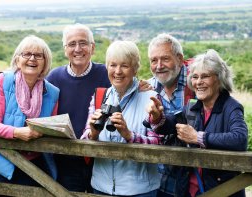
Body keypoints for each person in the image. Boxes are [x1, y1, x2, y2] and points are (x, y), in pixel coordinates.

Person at [148, 49, 248, 197]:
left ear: (219, 79)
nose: (198, 82)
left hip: (221, 190)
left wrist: (197, 137)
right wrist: (157, 117)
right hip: (190, 190)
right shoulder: (194, 107)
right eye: (194, 77)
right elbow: (171, 124)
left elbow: (240, 139)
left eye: (205, 76)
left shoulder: (231, 107)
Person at [81, 41, 161, 196]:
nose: (117, 71)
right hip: (101, 187)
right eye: (112, 65)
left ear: (135, 69)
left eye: (124, 65)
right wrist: (93, 133)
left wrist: (129, 135)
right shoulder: (99, 97)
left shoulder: (151, 98)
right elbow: (84, 139)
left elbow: (159, 142)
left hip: (139, 190)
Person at [0, 35, 59, 185]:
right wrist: (17, 132)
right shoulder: (4, 81)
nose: (32, 59)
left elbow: (52, 128)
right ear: (18, 59)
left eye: (39, 55)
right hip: (3, 162)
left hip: (35, 165)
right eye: (26, 54)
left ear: (45, 63)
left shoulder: (53, 92)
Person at [46, 23, 111, 192]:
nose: (78, 49)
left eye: (83, 43)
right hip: (66, 159)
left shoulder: (107, 74)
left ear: (92, 47)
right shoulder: (54, 77)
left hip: (101, 158)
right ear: (65, 49)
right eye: (72, 44)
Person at [147, 33, 195, 197]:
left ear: (180, 59)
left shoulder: (196, 84)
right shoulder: (148, 88)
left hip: (193, 182)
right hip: (160, 182)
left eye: (165, 59)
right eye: (154, 60)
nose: (159, 66)